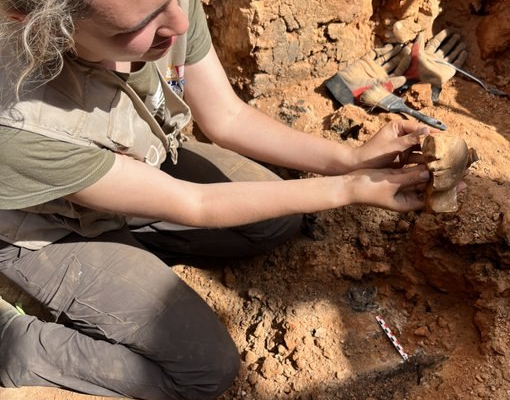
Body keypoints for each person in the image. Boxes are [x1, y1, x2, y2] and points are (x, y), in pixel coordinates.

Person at [0, 0, 445, 399]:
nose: (177, 22)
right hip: (45, 225)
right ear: (46, 28)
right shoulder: (18, 120)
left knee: (273, 222)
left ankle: (134, 247)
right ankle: (17, 344)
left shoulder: (161, 9)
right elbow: (196, 205)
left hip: (129, 167)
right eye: (139, 25)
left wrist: (350, 159)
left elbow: (226, 117)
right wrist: (348, 189)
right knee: (202, 369)